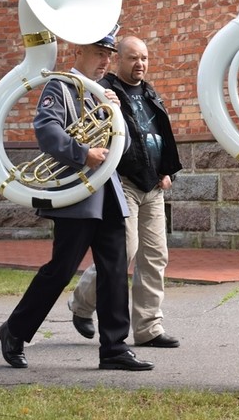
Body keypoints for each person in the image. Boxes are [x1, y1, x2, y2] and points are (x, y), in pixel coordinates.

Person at [0, 27, 154, 372]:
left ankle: (114, 348)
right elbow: (47, 130)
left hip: (107, 192)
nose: (105, 61)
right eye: (99, 53)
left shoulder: (106, 93)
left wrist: (117, 116)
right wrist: (83, 152)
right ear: (77, 53)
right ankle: (15, 330)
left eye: (108, 55)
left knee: (114, 270)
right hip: (76, 192)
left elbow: (122, 148)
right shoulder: (60, 86)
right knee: (62, 269)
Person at [68, 35, 183, 349]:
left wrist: (168, 169)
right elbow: (95, 131)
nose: (140, 64)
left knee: (157, 256)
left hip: (153, 185)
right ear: (118, 60)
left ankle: (148, 328)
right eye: (133, 58)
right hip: (123, 183)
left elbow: (161, 132)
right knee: (125, 251)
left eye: (144, 58)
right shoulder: (104, 90)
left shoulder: (149, 92)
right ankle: (80, 304)